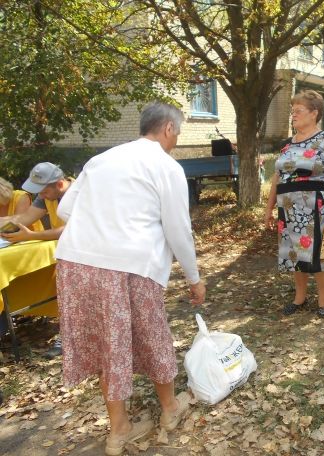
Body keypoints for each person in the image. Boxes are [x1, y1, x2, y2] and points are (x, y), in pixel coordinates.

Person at [54, 101, 206, 455]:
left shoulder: (100, 160)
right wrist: (194, 277)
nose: (176, 141)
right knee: (152, 334)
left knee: (107, 342)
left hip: (77, 264)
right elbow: (178, 229)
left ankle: (118, 430)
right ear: (168, 129)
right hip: (129, 266)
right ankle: (170, 410)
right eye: (178, 133)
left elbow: (64, 209)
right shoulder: (166, 166)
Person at [264, 90, 324, 318]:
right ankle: (299, 298)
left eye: (298, 111)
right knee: (294, 253)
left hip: (317, 206)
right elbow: (277, 178)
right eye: (292, 111)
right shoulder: (287, 145)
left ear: (314, 113)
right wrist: (269, 208)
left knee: (320, 254)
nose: (293, 115)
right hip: (288, 208)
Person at [0, 164, 72, 358]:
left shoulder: (78, 193)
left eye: (43, 191)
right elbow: (26, 218)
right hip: (64, 250)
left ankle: (70, 337)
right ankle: (68, 335)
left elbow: (70, 229)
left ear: (59, 184)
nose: (41, 195)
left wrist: (31, 236)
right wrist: (5, 228)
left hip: (86, 252)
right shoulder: (46, 195)